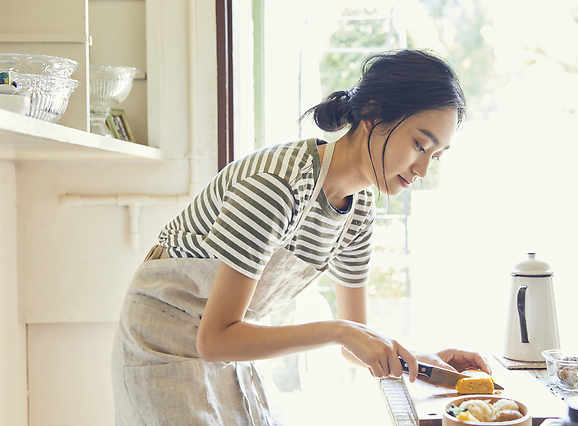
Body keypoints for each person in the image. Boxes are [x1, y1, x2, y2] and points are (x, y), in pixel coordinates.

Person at [111, 49, 491, 425]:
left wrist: (423, 360)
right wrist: (340, 332)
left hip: (230, 342)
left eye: (436, 155)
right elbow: (215, 340)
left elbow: (353, 343)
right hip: (163, 344)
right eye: (419, 145)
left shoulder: (359, 209)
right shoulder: (279, 187)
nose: (423, 169)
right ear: (373, 116)